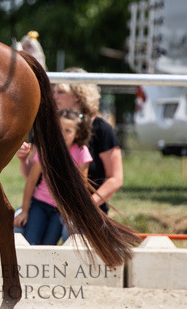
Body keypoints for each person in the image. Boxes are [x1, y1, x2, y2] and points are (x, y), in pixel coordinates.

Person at [17, 68, 124, 214]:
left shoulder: (102, 129)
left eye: (60, 92)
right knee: (17, 226)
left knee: (74, 229)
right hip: (45, 207)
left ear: (78, 96)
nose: (53, 97)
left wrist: (88, 205)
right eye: (53, 92)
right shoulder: (45, 128)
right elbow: (32, 178)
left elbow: (116, 179)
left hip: (85, 208)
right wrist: (23, 159)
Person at [14, 109, 92, 244]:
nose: (63, 134)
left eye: (68, 131)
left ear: (77, 133)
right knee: (31, 242)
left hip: (62, 209)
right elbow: (31, 182)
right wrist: (25, 210)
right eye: (60, 129)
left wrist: (73, 211)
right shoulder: (47, 150)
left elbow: (82, 186)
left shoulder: (81, 152)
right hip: (40, 204)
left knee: (49, 245)